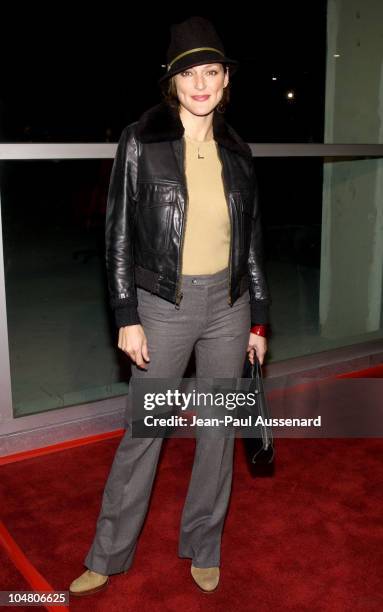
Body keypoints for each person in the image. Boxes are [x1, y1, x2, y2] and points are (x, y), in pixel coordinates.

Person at [69, 15, 272, 597]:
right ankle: (107, 555)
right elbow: (118, 237)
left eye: (212, 72)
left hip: (229, 308)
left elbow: (252, 241)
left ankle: (204, 546)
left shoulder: (238, 151)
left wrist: (258, 319)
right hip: (164, 304)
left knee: (217, 434)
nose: (201, 84)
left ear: (226, 79)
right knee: (144, 435)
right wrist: (127, 316)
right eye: (190, 73)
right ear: (173, 81)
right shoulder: (142, 141)